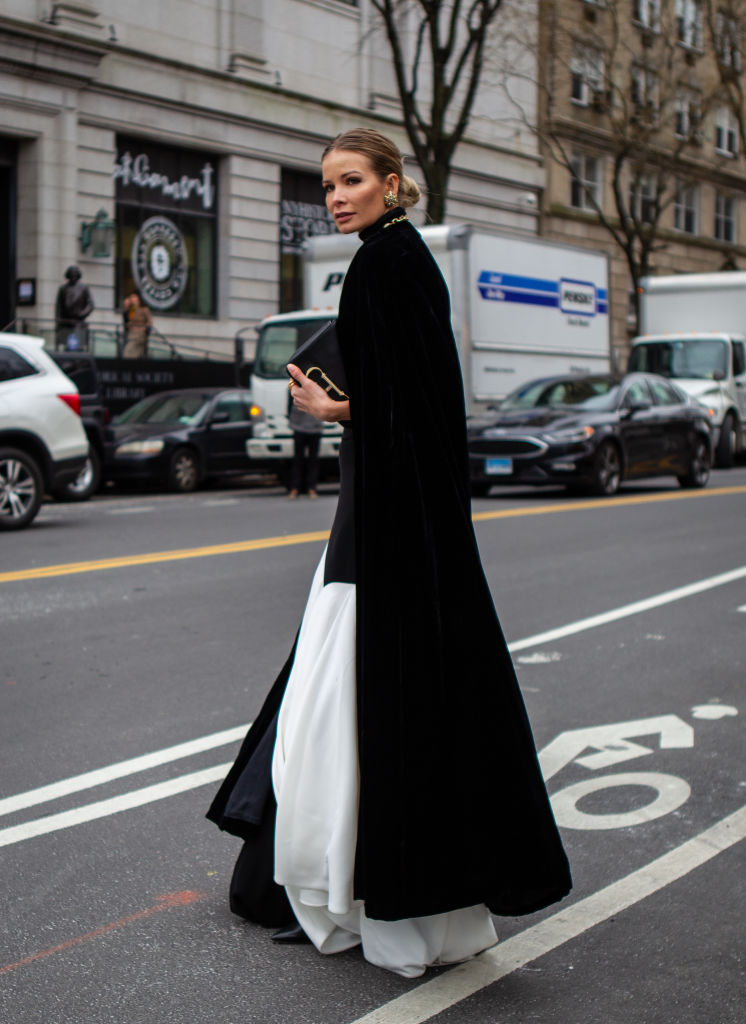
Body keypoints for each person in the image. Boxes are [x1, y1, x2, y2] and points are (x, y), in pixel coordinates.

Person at [208, 128, 571, 978]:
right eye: (328, 184)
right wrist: (354, 407)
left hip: (382, 537)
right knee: (346, 709)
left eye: (352, 181)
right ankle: (363, 897)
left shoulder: (381, 264)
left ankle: (337, 897)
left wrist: (338, 414)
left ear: (392, 184)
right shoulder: (404, 261)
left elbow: (404, 412)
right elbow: (424, 404)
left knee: (337, 712)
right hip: (400, 527)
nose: (336, 196)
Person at [286, 397, 323, 499]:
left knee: (312, 459)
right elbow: (289, 405)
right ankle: (296, 488)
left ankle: (310, 488)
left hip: (314, 426)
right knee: (298, 459)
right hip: (299, 427)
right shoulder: (294, 384)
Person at [55, 265, 94, 350]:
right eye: (71, 275)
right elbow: (59, 306)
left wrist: (82, 313)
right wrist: (58, 321)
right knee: (67, 345)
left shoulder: (84, 288)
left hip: (78, 322)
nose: (73, 277)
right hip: (66, 322)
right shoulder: (63, 289)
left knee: (79, 345)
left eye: (75, 275)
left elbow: (90, 305)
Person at [122, 292, 153, 358]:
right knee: (127, 351)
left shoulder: (144, 309)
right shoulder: (132, 309)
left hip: (140, 334)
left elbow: (149, 321)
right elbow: (130, 319)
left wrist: (144, 328)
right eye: (131, 297)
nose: (132, 299)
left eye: (134, 297)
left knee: (131, 351)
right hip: (132, 333)